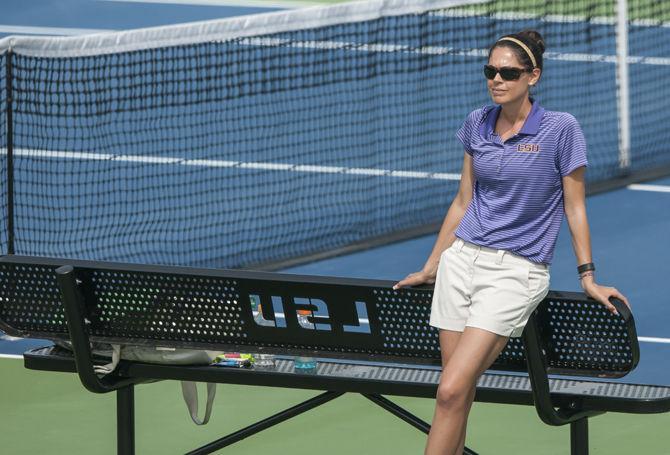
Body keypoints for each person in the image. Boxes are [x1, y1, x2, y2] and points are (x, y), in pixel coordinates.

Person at [392, 30, 632, 455]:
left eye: (508, 72)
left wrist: (588, 276)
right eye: (491, 71)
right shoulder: (476, 123)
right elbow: (464, 200)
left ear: (533, 76)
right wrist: (433, 264)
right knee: (457, 394)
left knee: (449, 390)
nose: (497, 79)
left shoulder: (561, 130)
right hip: (460, 262)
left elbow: (574, 208)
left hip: (515, 272)